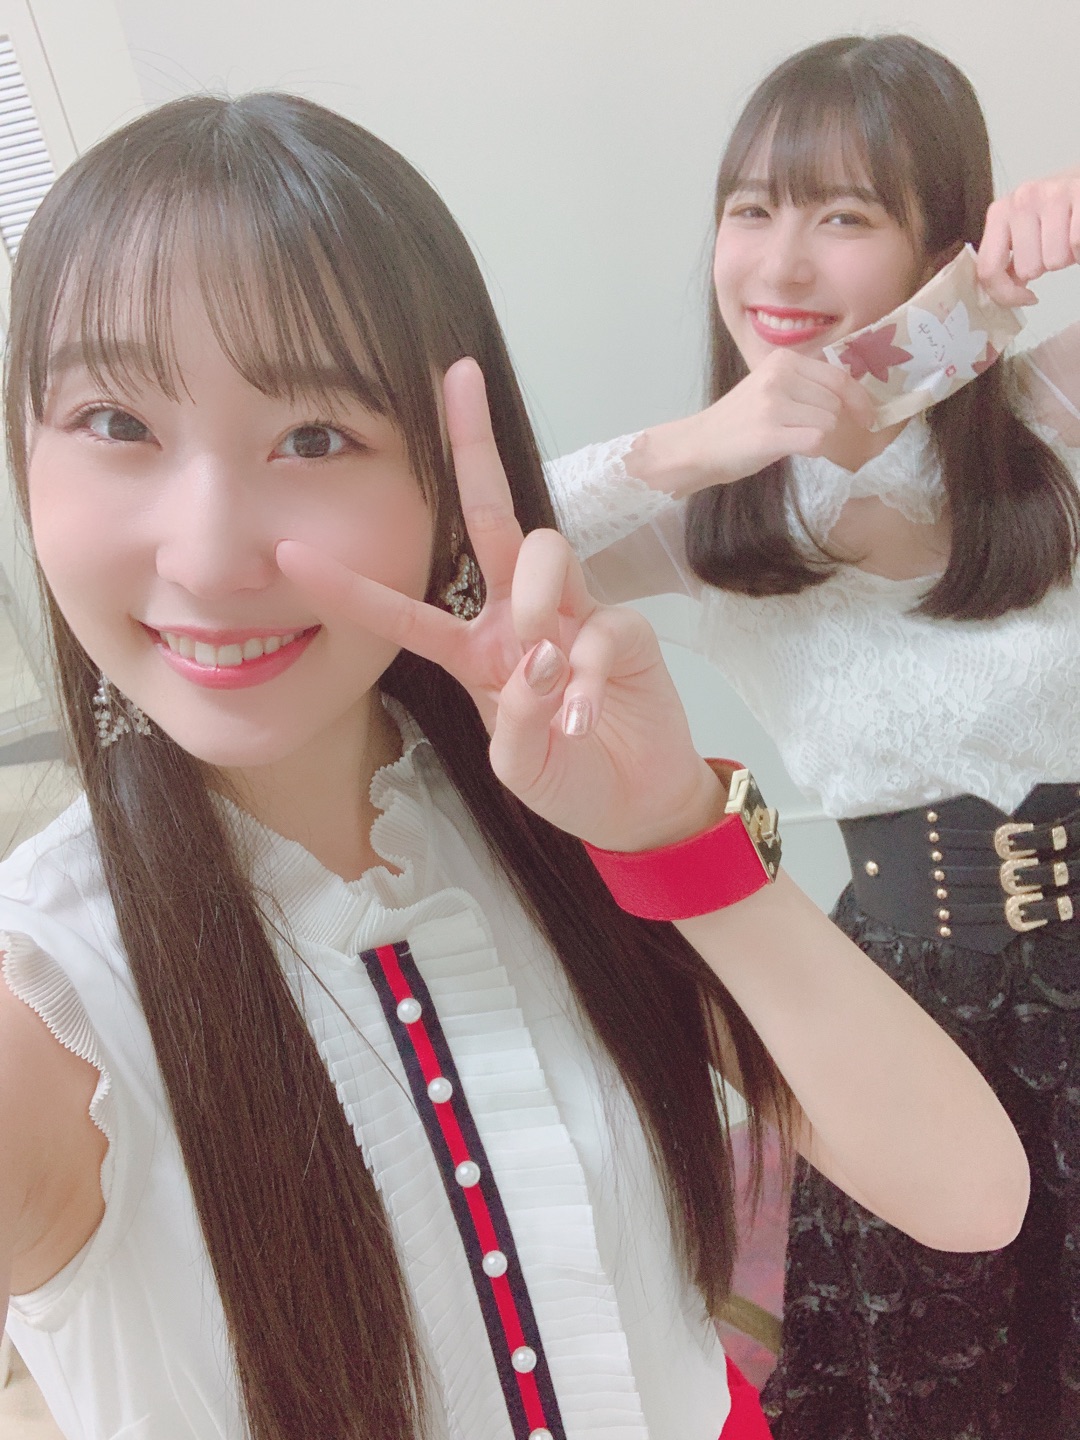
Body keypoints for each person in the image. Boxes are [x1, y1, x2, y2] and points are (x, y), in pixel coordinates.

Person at [0, 92, 1027, 1440]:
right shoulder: (50, 1001)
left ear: (443, 482)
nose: (205, 555)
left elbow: (969, 1195)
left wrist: (672, 828)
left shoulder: (548, 815)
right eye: (114, 423)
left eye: (315, 438)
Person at [544, 31, 1080, 1440]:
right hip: (896, 1014)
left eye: (843, 216)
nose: (777, 266)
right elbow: (458, 569)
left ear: (939, 246)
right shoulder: (712, 520)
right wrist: (692, 446)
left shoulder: (1050, 419)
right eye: (751, 210)